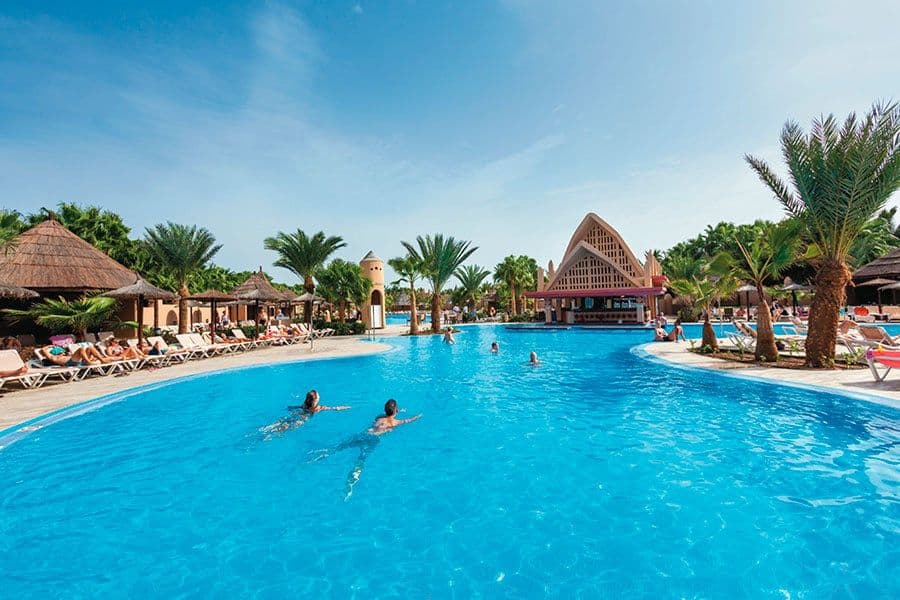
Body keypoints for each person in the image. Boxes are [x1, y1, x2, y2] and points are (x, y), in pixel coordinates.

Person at [261, 390, 350, 438]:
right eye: (318, 395)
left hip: (297, 414)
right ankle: (269, 435)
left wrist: (290, 408)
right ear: (316, 400)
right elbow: (334, 408)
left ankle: (269, 429)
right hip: (302, 419)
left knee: (283, 423)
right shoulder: (318, 408)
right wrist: (343, 407)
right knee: (284, 429)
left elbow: (294, 407)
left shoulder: (304, 405)